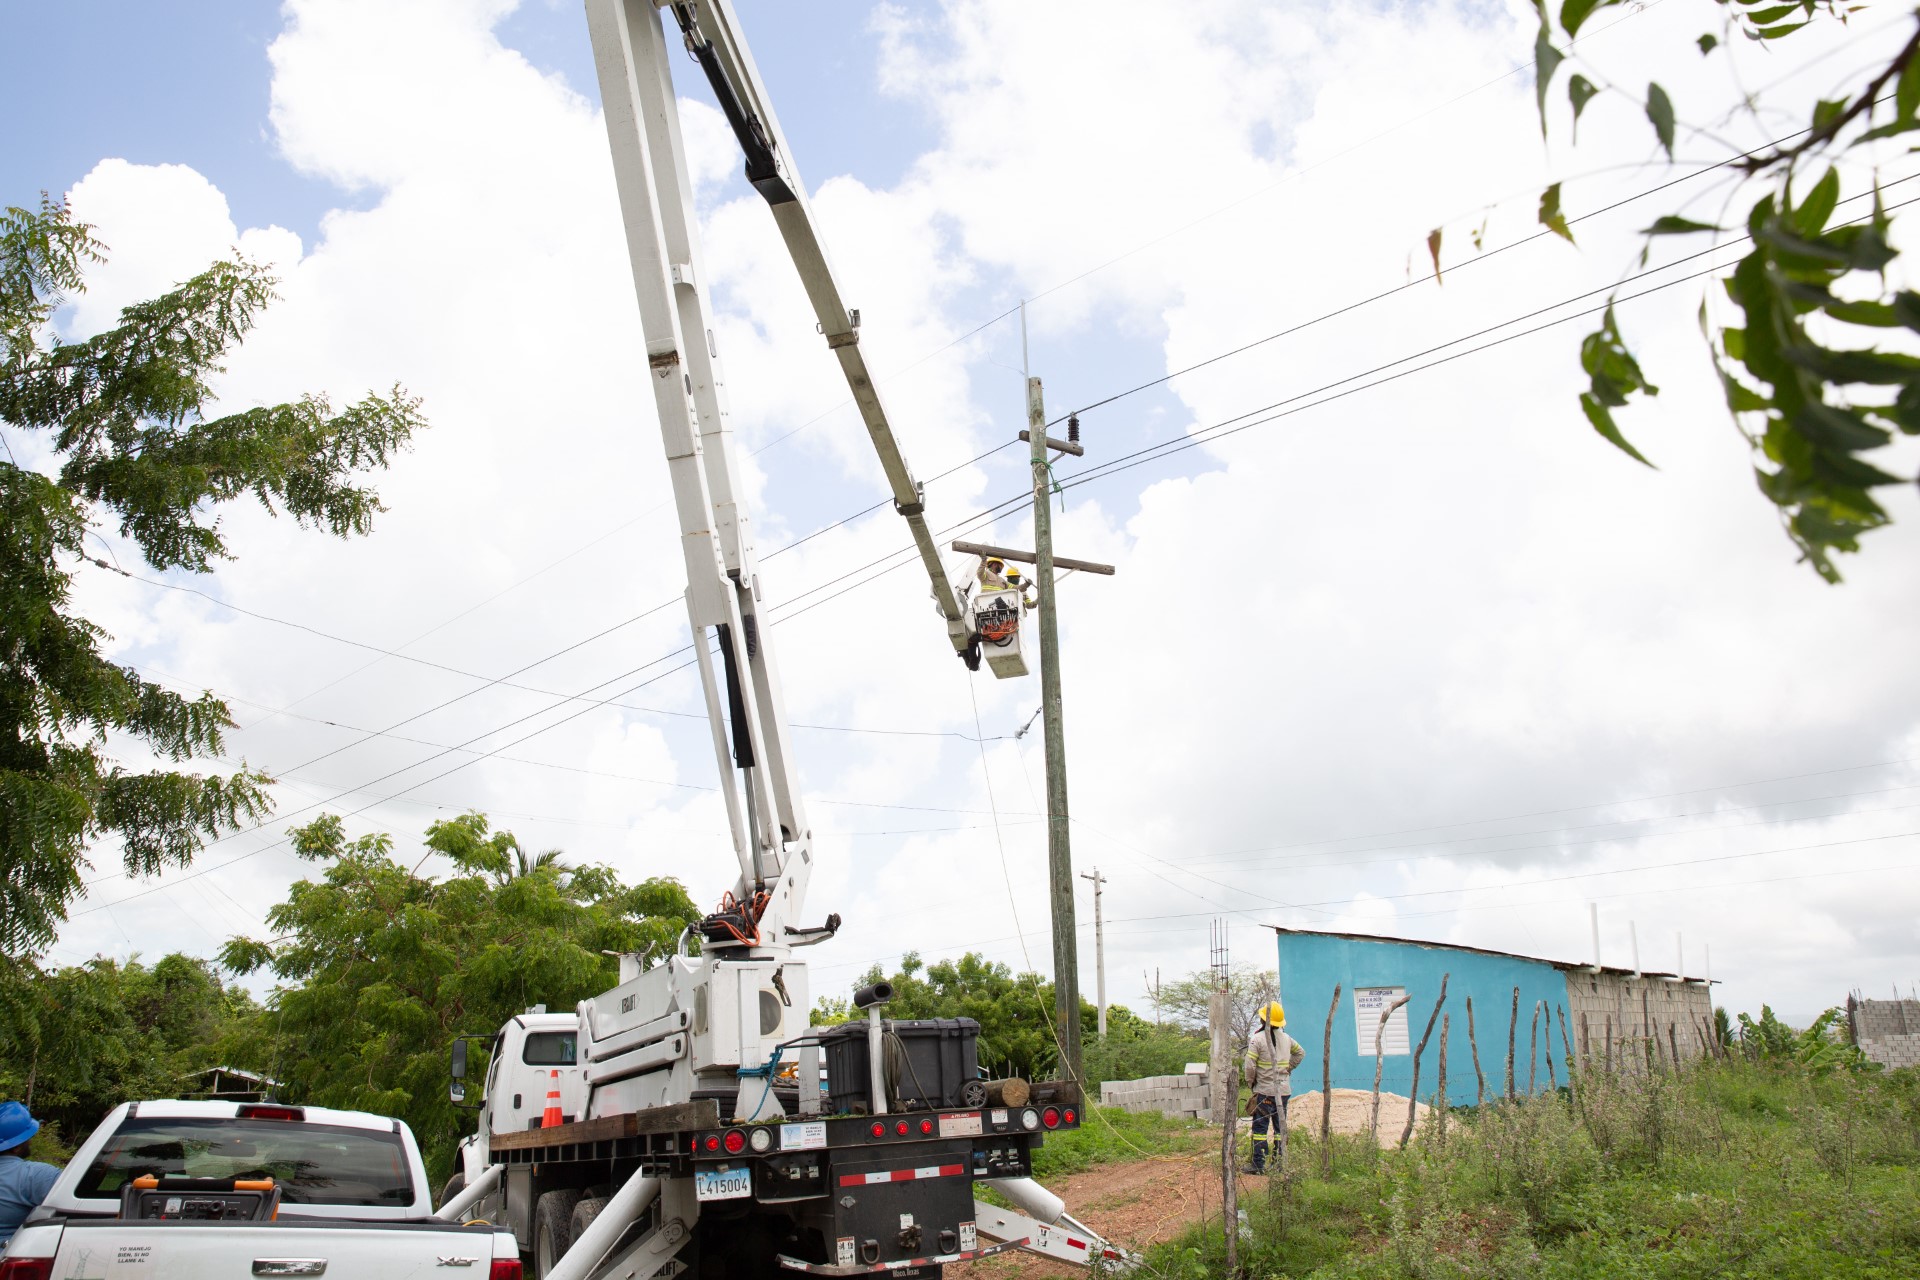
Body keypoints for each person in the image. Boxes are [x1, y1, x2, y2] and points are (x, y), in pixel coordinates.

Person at [1241, 1001, 1304, 1175]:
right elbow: (1300, 1053)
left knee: (1260, 1129)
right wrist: (1289, 1068)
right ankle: (1278, 1164)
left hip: (1264, 1091)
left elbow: (1249, 1065)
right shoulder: (1287, 1038)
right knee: (1279, 1128)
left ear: (1263, 1020)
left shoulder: (1257, 1039)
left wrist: (1251, 1082)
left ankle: (1258, 1165)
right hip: (1283, 1092)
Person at [0, 1102, 60, 1246]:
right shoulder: (35, 1175)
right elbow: (82, 1192)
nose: (30, 1141)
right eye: (27, 1138)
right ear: (16, 1147)